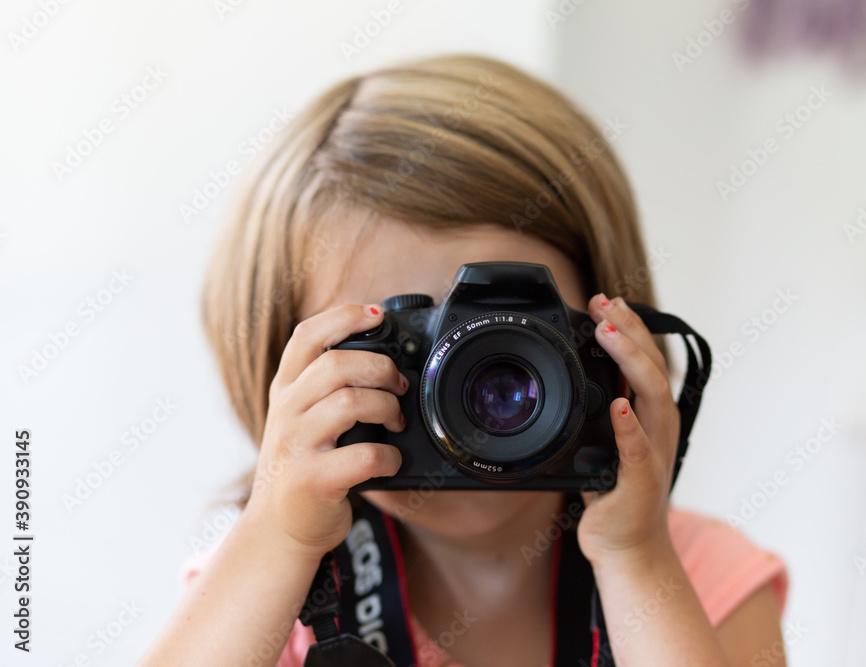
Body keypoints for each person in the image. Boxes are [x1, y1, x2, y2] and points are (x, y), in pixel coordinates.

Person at [139, 54, 788, 667]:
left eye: (511, 338)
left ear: (609, 335)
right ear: (281, 371)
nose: (464, 391)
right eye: (405, 342)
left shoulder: (704, 578)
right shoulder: (271, 593)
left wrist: (636, 559)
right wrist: (275, 540)